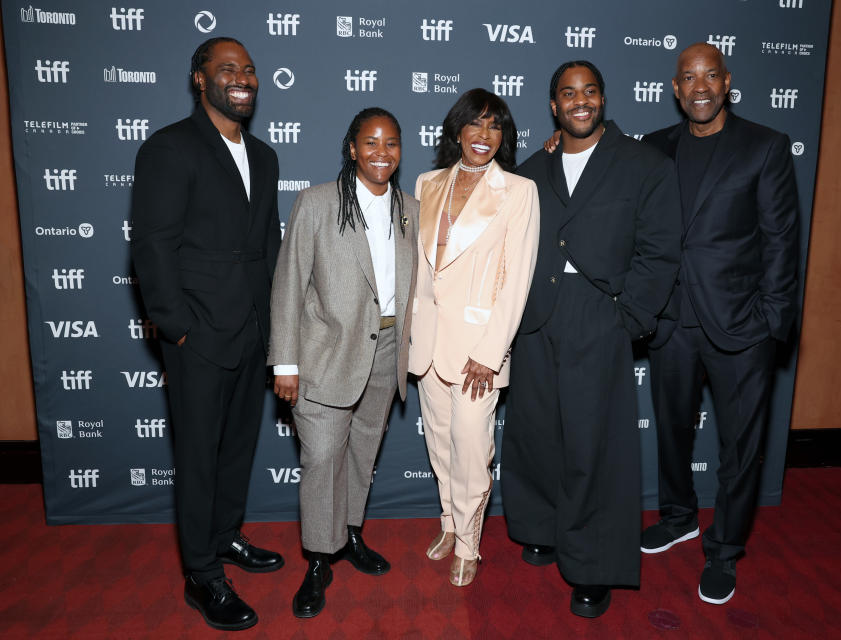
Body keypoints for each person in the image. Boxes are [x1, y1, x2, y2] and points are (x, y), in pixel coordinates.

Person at [501, 60, 681, 618]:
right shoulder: (532, 169)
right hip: (537, 315)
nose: (580, 102)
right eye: (568, 94)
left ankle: (594, 564)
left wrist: (628, 318)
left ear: (603, 99)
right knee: (536, 432)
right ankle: (543, 527)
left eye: (590, 92)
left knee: (594, 445)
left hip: (599, 314)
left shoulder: (644, 165)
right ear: (553, 106)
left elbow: (660, 250)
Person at [639, 42, 800, 605]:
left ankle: (725, 549)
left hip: (741, 328)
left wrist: (771, 323)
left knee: (738, 447)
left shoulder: (765, 146)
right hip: (673, 323)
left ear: (726, 82)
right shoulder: (655, 148)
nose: (700, 86)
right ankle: (679, 516)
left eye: (711, 75)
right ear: (676, 88)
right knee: (672, 430)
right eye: (689, 77)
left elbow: (782, 241)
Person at [131, 37, 283, 631]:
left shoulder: (264, 156)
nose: (241, 78)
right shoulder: (170, 147)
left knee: (236, 449)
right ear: (201, 80)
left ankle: (224, 537)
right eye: (227, 70)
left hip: (252, 330)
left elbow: (267, 247)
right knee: (197, 458)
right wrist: (178, 329)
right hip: (198, 333)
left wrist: (278, 330)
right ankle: (201, 573)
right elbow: (152, 245)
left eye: (248, 70)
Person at [268, 107, 418, 618]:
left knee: (361, 454)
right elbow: (288, 283)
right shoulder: (317, 203)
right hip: (325, 355)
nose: (382, 152)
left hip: (388, 350)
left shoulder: (410, 209)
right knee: (321, 459)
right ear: (352, 148)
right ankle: (318, 558)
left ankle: (350, 533)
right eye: (371, 143)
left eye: (392, 143)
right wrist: (284, 362)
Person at [409, 89, 539, 587]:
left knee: (470, 444)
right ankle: (448, 523)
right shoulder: (427, 182)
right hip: (428, 341)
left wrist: (491, 352)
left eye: (495, 127)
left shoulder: (519, 191)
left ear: (503, 138)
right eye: (475, 125)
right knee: (440, 444)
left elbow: (518, 277)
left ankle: (469, 541)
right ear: (457, 130)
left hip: (477, 349)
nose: (484, 136)